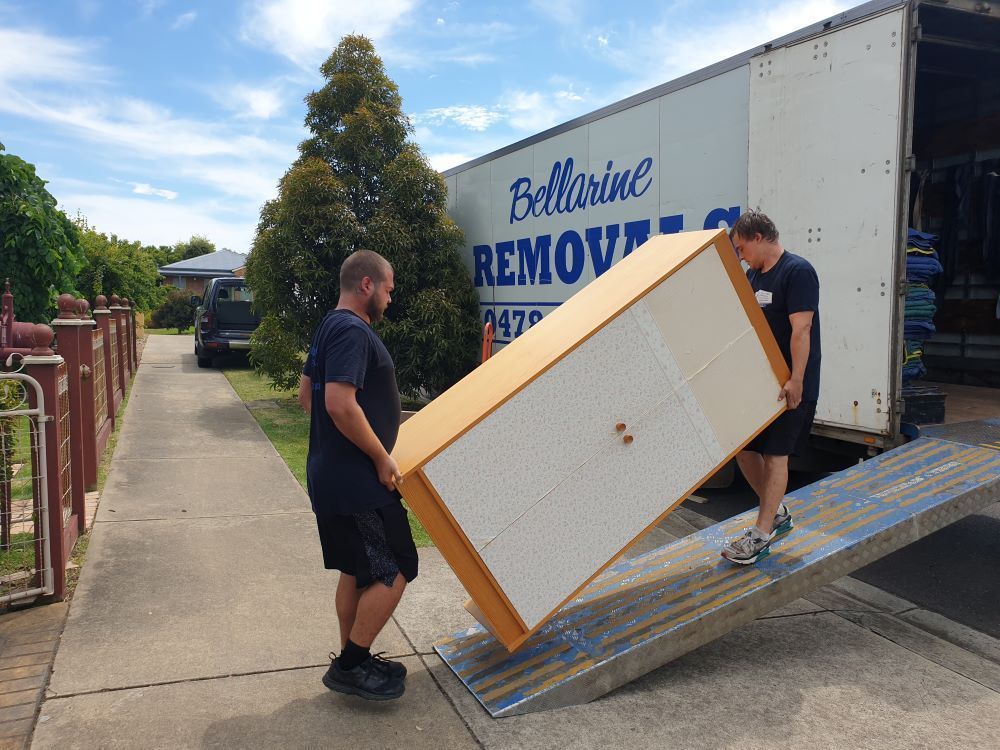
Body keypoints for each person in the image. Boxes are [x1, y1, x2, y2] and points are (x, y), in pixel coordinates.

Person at [298, 249, 418, 701]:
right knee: (398, 565)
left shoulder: (329, 325)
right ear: (366, 285)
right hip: (356, 483)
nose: (390, 296)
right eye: (387, 288)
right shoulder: (351, 330)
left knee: (357, 569)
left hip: (332, 475)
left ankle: (354, 657)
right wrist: (380, 457)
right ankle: (351, 667)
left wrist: (337, 442)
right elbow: (337, 403)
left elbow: (305, 395)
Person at [721, 211, 821, 565]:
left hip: (791, 384)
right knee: (744, 449)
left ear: (759, 237)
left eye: (742, 247)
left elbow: (801, 331)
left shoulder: (797, 272)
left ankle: (761, 535)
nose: (741, 254)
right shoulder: (753, 275)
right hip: (761, 383)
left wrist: (796, 379)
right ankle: (777, 512)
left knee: (776, 455)